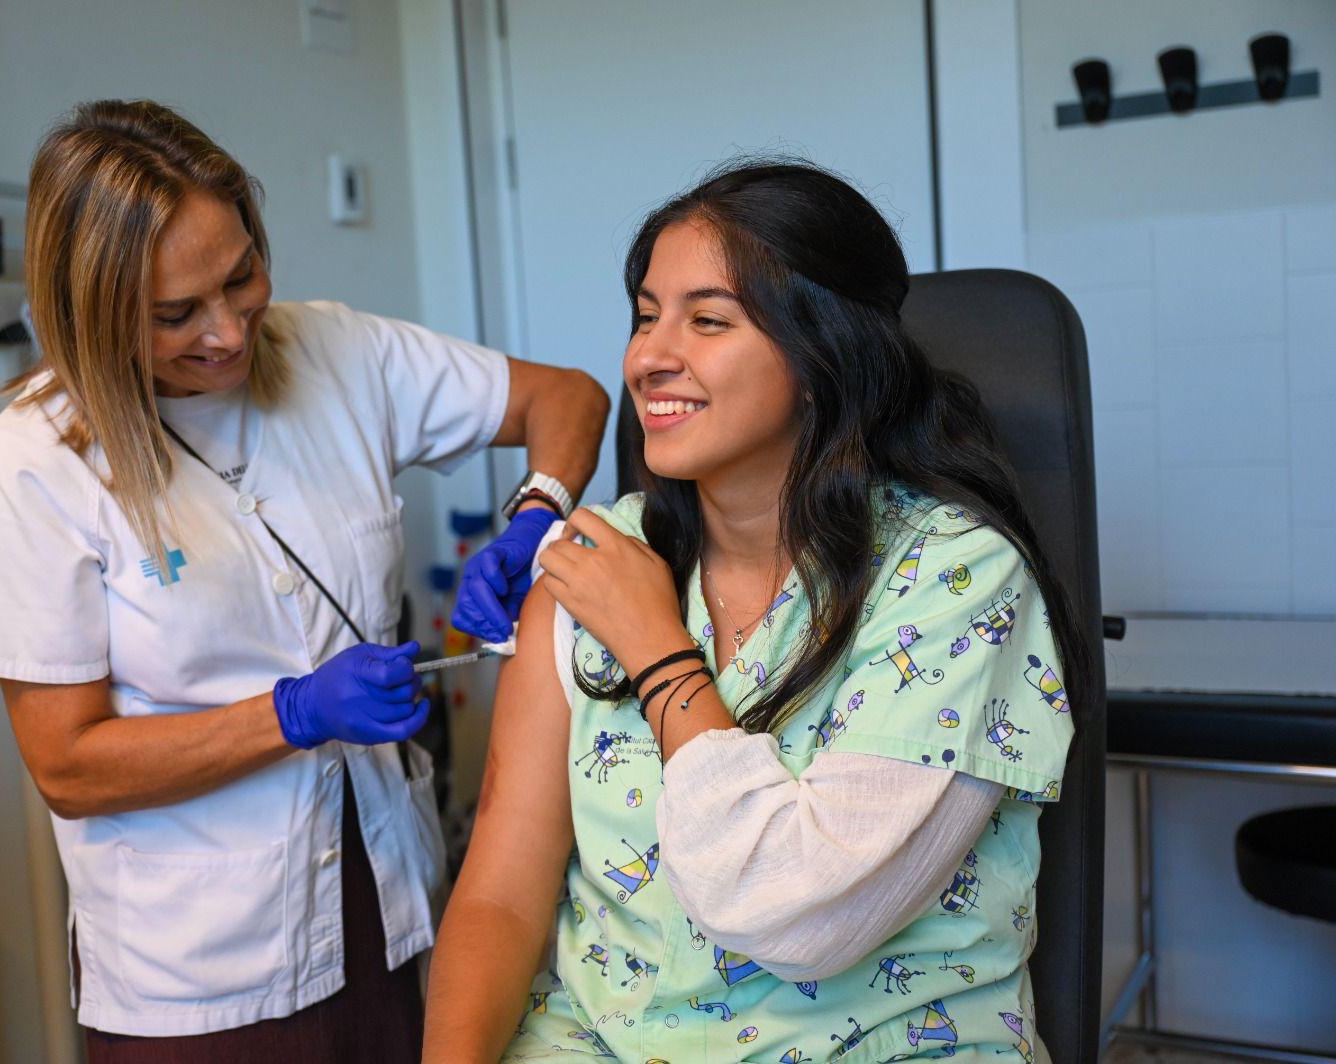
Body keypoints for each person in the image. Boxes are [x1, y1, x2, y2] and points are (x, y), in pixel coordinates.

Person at [0, 99, 608, 1060]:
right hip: (196, 971)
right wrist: (292, 713)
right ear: (93, 314)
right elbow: (68, 766)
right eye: (176, 314)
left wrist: (537, 512)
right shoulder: (33, 467)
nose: (227, 331)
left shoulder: (336, 352)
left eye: (241, 277)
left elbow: (569, 397)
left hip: (385, 904)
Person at [422, 160, 1090, 1063]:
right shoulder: (595, 564)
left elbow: (800, 913)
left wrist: (659, 653)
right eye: (646, 315)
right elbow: (501, 892)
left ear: (823, 355)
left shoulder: (954, 578)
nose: (650, 356)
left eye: (706, 320)